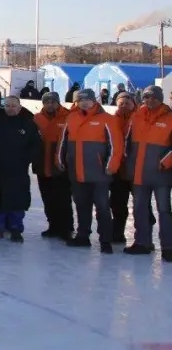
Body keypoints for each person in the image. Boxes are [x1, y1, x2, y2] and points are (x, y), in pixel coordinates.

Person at [59, 89, 122, 254]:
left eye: (87, 100)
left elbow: (116, 145)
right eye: (80, 100)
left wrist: (111, 165)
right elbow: (62, 141)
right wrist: (59, 159)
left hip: (99, 172)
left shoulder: (107, 119)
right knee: (81, 204)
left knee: (102, 206)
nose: (84, 103)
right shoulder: (71, 117)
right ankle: (83, 235)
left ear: (94, 101)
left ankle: (105, 240)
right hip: (77, 170)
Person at [123, 86, 172, 261]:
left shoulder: (169, 117)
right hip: (139, 173)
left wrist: (164, 162)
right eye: (147, 97)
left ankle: (168, 246)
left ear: (160, 99)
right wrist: (129, 164)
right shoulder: (136, 116)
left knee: (164, 210)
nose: (150, 100)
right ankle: (142, 243)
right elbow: (126, 143)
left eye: (154, 97)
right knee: (139, 209)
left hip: (161, 175)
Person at [0, 96, 41, 242]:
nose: (10, 109)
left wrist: (25, 159)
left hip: (18, 169)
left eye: (13, 106)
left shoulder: (28, 124)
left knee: (17, 199)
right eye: (8, 106)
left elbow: (35, 145)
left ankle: (15, 228)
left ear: (19, 107)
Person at [32, 92, 73, 240]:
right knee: (47, 198)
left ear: (58, 103)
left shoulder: (68, 117)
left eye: (53, 102)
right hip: (42, 163)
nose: (50, 105)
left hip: (60, 165)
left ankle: (66, 228)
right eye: (47, 102)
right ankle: (53, 225)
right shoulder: (37, 118)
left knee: (63, 198)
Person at [110, 91, 138, 243]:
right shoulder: (111, 120)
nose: (124, 106)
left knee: (141, 205)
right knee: (117, 203)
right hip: (118, 169)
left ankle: (143, 238)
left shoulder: (140, 119)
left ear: (134, 104)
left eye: (128, 103)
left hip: (136, 169)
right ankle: (117, 233)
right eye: (121, 103)